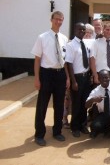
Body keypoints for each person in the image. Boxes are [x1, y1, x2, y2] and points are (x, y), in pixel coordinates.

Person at [31, 11, 70, 146]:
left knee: (59, 105)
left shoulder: (64, 39)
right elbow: (37, 60)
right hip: (46, 74)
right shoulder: (42, 37)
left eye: (61, 20)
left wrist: (67, 78)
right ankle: (39, 134)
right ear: (51, 20)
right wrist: (37, 78)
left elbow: (65, 60)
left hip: (60, 74)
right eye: (56, 19)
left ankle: (57, 131)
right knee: (42, 105)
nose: (58, 22)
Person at [65, 23, 92, 137]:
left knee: (84, 103)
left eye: (83, 29)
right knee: (76, 103)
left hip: (86, 77)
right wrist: (73, 81)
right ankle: (75, 127)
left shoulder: (85, 43)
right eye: (79, 29)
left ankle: (83, 125)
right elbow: (69, 64)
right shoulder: (71, 45)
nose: (82, 31)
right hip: (77, 78)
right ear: (75, 30)